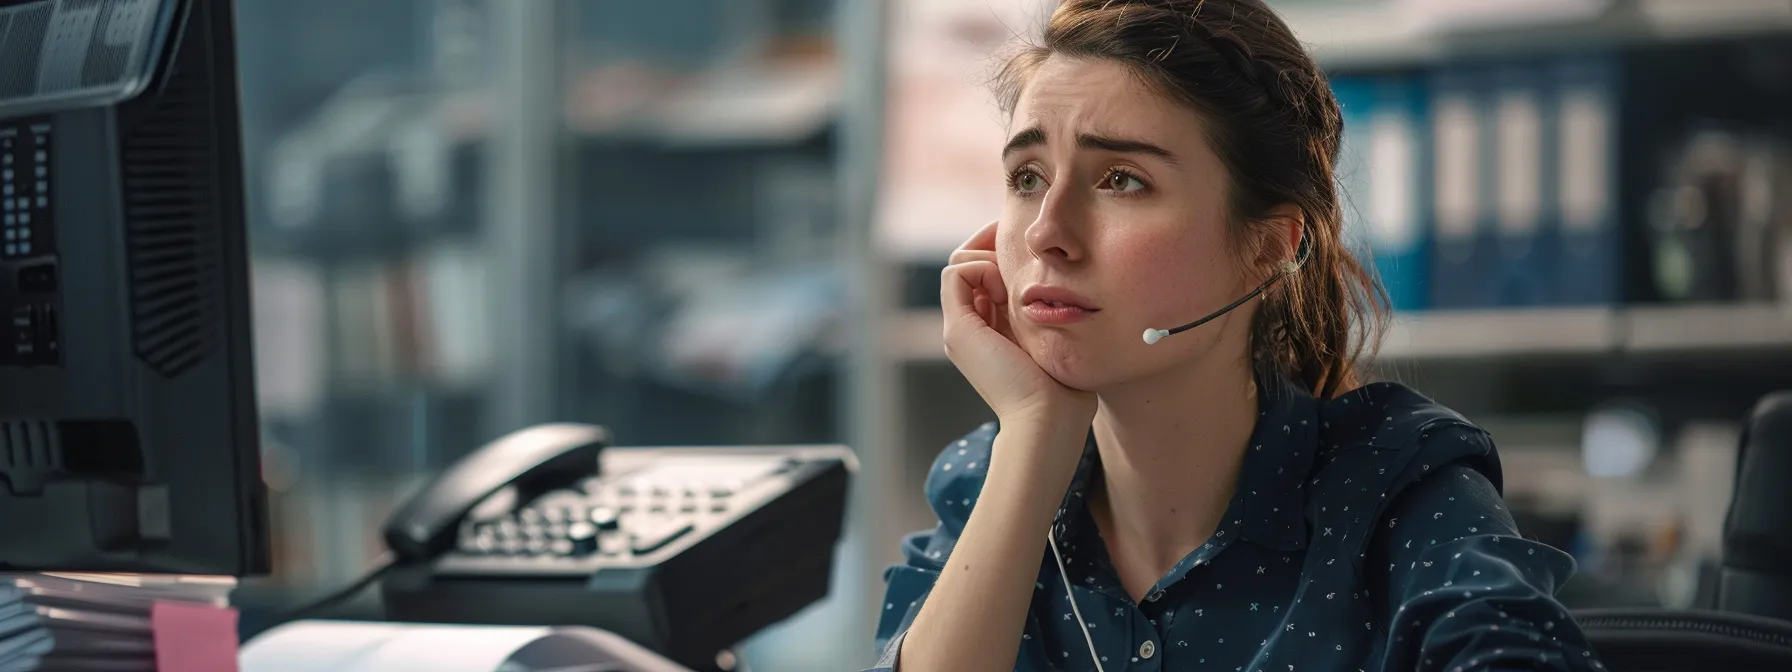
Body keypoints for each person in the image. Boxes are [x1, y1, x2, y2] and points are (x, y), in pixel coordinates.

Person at [866, 1, 1605, 671]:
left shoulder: (1397, 490)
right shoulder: (986, 485)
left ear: (1269, 249)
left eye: (1121, 179)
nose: (1049, 232)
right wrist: (1033, 434)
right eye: (1027, 178)